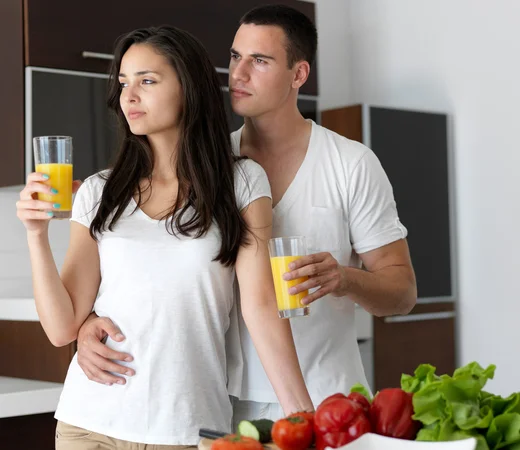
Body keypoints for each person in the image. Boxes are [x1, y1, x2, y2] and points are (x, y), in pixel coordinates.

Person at [75, 4, 417, 425]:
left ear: (298, 75)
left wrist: (343, 278)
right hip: (227, 400)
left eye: (260, 60)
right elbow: (149, 272)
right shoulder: (204, 165)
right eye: (235, 57)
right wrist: (86, 322)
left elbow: (402, 293)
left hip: (326, 396)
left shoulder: (351, 164)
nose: (238, 73)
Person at [16, 25, 312, 449]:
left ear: (188, 88)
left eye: (147, 81)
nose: (129, 96)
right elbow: (62, 327)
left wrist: (304, 416)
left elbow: (261, 308)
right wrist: (35, 235)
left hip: (187, 430)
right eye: (123, 83)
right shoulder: (99, 191)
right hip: (88, 425)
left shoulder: (242, 182)